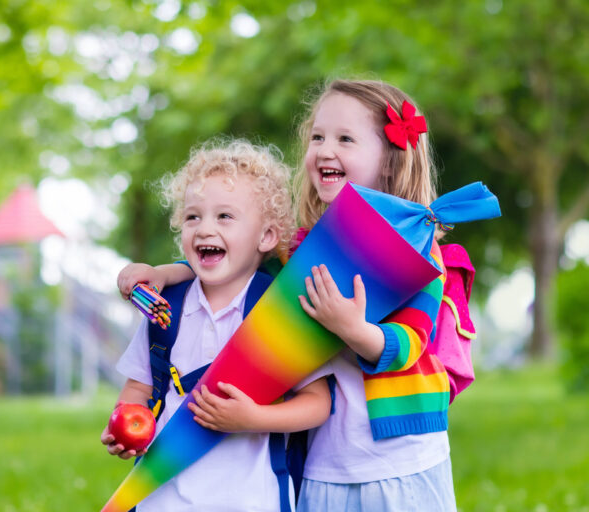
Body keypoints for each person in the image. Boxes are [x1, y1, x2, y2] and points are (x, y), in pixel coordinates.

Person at [118, 79, 458, 511]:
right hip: (322, 460)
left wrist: (354, 330)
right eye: (317, 136)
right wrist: (163, 273)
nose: (324, 149)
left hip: (399, 457)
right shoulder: (300, 246)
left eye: (345, 139)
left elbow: (412, 342)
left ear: (390, 162)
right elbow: (235, 262)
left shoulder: (418, 247)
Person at [102, 139, 333, 512]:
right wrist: (125, 425)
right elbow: (138, 386)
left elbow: (318, 403)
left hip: (249, 499)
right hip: (163, 497)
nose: (205, 228)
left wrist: (254, 418)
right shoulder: (165, 309)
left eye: (225, 216)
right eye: (193, 217)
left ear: (266, 237)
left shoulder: (278, 312)